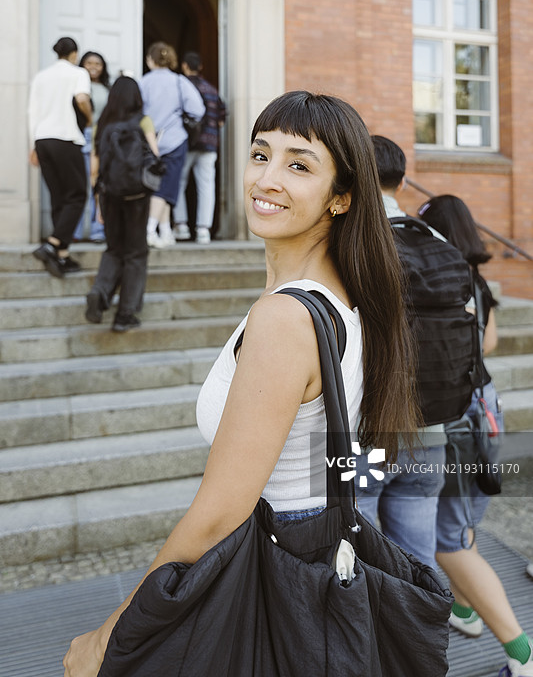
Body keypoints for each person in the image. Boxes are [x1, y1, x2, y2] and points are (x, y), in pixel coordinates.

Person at [63, 90, 420, 676]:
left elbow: (219, 512)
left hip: (273, 566)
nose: (267, 178)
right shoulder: (346, 299)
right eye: (261, 154)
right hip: (315, 553)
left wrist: (111, 634)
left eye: (299, 164)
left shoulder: (286, 318)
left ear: (341, 198)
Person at [418, 194, 533, 677]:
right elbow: (489, 342)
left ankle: (521, 653)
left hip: (463, 416)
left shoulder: (440, 278)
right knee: (459, 528)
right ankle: (464, 613)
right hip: (485, 408)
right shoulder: (475, 278)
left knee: (448, 540)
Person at [352, 134, 448, 570]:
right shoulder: (434, 239)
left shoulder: (352, 241)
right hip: (430, 428)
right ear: (404, 181)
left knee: (363, 564)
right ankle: (424, 637)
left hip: (366, 434)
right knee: (419, 567)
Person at [84, 76, 158, 333]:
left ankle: (100, 292)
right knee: (136, 253)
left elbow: (95, 169)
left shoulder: (102, 125)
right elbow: (154, 158)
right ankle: (125, 314)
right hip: (137, 197)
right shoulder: (143, 121)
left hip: (110, 195)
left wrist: (98, 204)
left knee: (114, 249)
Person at [28, 36, 92, 278]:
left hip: (42, 139)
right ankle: (53, 244)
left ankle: (61, 256)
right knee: (77, 195)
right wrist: (90, 117)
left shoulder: (41, 77)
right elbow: (82, 99)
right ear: (74, 53)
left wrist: (32, 144)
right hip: (66, 137)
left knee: (59, 196)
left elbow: (32, 112)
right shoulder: (78, 73)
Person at [139, 42, 204, 249]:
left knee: (157, 187)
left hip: (150, 141)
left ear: (150, 59)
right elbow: (198, 109)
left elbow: (137, 111)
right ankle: (150, 230)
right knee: (167, 188)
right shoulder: (179, 81)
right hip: (175, 139)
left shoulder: (144, 82)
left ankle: (164, 232)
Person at [173, 51, 226, 243]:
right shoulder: (211, 89)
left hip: (186, 143)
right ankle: (204, 229)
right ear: (201, 67)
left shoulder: (181, 86)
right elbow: (221, 117)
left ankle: (181, 226)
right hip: (210, 144)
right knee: (206, 186)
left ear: (184, 66)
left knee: (178, 184)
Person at [73, 51, 111, 243]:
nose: (93, 66)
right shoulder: (78, 86)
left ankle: (98, 230)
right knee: (81, 185)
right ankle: (76, 232)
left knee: (99, 186)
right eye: (89, 63)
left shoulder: (107, 89)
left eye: (98, 63)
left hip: (102, 139)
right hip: (82, 137)